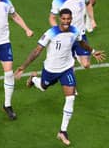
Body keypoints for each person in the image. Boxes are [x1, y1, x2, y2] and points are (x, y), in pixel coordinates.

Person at [14, 8, 105, 145]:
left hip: (67, 68)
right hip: (50, 69)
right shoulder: (51, 33)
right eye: (64, 19)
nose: (66, 21)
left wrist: (92, 51)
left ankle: (62, 131)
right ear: (59, 19)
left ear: (71, 19)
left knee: (70, 97)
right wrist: (23, 67)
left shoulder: (75, 31)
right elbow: (37, 51)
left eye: (68, 19)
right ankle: (33, 79)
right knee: (44, 87)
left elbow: (81, 42)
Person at [49, 0, 96, 95]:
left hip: (80, 35)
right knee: (69, 64)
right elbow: (52, 18)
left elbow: (88, 3)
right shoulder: (58, 1)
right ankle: (72, 85)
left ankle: (75, 56)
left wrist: (92, 19)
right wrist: (59, 31)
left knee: (86, 65)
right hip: (66, 37)